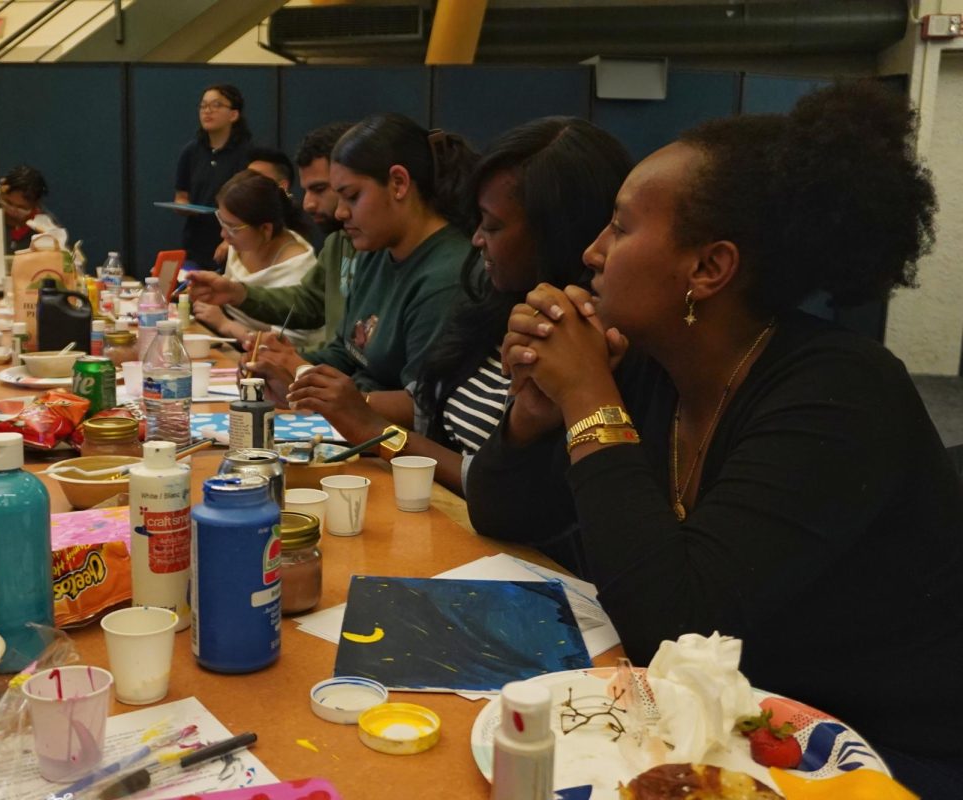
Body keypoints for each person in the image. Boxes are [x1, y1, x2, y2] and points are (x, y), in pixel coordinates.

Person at [466, 82, 963, 793]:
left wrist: (587, 397)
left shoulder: (841, 394)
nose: (592, 251)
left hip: (874, 753)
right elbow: (503, 514)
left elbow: (672, 621)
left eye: (621, 226)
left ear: (708, 268)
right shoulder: (650, 366)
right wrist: (535, 413)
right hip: (726, 720)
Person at [286, 118, 632, 494]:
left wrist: (372, 426)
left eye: (493, 226)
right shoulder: (496, 303)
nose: (477, 239)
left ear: (553, 234)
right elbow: (428, 400)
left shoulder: (584, 337)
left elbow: (506, 494)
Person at [246, 113, 477, 397]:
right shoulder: (373, 251)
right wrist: (280, 364)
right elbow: (347, 354)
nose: (340, 212)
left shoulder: (447, 277)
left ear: (398, 183)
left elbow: (424, 409)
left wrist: (304, 376)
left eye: (352, 196)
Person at [188, 122, 355, 347]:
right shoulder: (339, 242)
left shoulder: (377, 251)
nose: (308, 204)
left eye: (320, 189)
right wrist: (238, 293)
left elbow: (333, 351)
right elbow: (311, 304)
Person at [193, 169, 320, 346]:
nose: (223, 234)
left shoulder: (299, 271)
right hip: (231, 346)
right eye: (221, 222)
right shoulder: (244, 244)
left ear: (265, 229)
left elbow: (288, 346)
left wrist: (226, 325)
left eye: (232, 228)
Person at [173, 84, 252, 269]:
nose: (207, 111)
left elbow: (252, 208)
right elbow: (181, 196)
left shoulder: (248, 154)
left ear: (233, 114)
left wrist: (228, 242)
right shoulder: (190, 152)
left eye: (216, 105)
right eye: (203, 106)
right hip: (195, 244)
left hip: (234, 246)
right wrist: (183, 206)